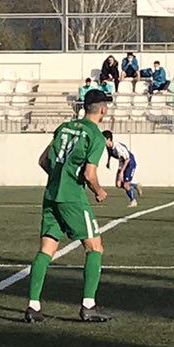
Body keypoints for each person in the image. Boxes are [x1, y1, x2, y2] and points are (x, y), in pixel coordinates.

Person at [22, 88, 113, 323]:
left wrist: (58, 178)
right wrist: (99, 191)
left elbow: (43, 160)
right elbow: (90, 174)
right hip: (72, 197)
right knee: (95, 247)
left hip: (51, 194)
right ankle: (88, 305)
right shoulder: (96, 135)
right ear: (102, 109)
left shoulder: (64, 128)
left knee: (46, 250)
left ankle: (33, 306)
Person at [104, 130, 140, 205]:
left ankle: (133, 201)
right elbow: (109, 153)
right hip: (122, 163)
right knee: (118, 184)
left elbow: (127, 159)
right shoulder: (108, 146)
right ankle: (135, 186)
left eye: (103, 139)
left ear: (109, 139)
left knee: (126, 185)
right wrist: (108, 162)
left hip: (130, 163)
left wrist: (122, 172)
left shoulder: (118, 147)